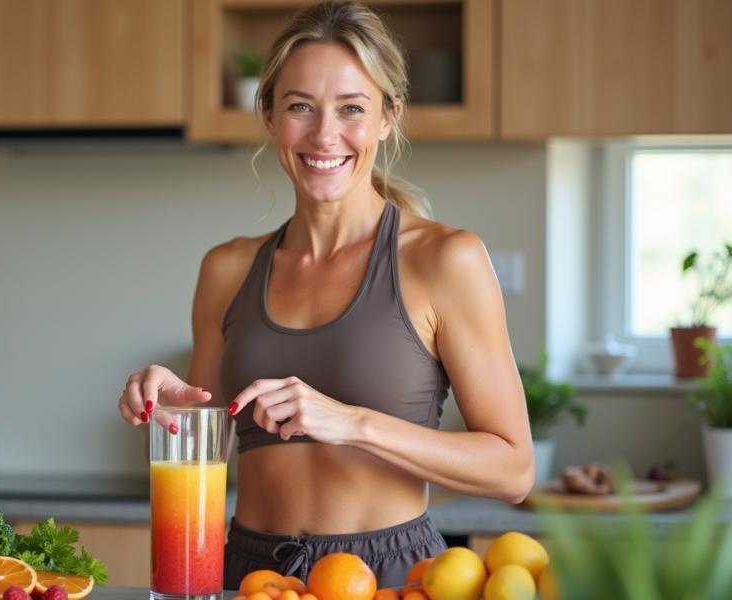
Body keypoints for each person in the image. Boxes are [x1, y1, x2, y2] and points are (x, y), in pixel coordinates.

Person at [118, 0, 533, 589]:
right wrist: (170, 409)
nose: (323, 134)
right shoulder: (226, 268)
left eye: (351, 109)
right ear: (268, 115)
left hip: (385, 576)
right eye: (300, 107)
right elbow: (198, 461)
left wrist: (352, 422)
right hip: (249, 573)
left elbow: (514, 470)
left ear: (388, 116)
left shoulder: (444, 260)